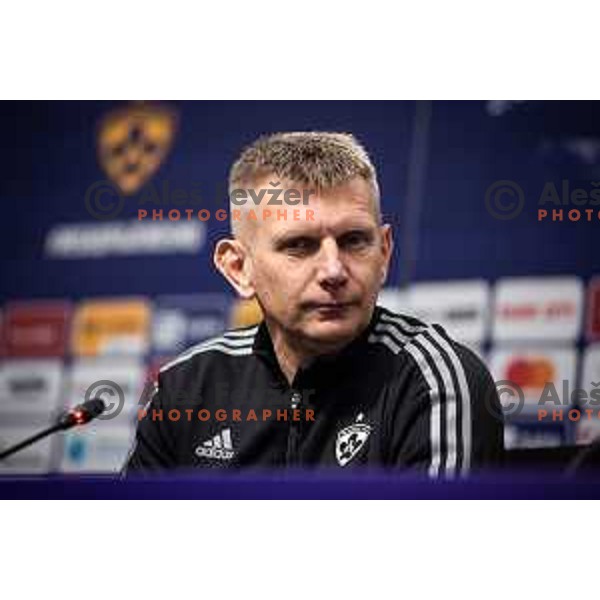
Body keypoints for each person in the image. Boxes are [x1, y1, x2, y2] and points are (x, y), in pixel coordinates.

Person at [124, 131, 503, 476]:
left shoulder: (433, 381)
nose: (334, 270)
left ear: (384, 253)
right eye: (299, 245)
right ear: (239, 268)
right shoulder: (186, 388)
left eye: (354, 240)